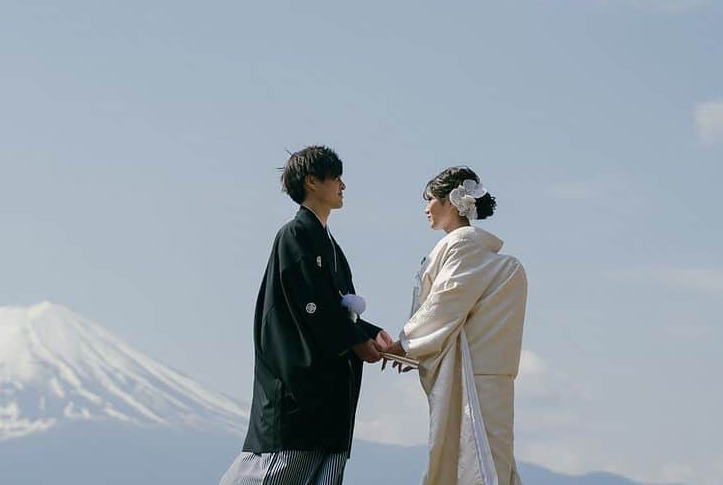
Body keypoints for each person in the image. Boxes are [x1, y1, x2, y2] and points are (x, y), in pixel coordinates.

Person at [220, 145, 393, 485]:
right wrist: (358, 341)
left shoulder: (330, 246)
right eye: (336, 178)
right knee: (272, 474)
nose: (343, 186)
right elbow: (312, 306)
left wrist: (372, 334)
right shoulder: (294, 236)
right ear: (312, 182)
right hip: (299, 397)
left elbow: (340, 307)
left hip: (330, 401)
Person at [379, 166, 528, 485]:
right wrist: (416, 350)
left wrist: (406, 343)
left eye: (430, 199)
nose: (425, 208)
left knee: (474, 458)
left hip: (475, 377)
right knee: (480, 457)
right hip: (486, 374)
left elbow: (445, 304)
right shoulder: (469, 248)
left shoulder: (463, 246)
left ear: (450, 201)